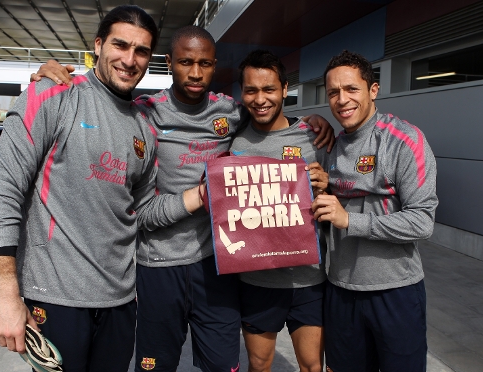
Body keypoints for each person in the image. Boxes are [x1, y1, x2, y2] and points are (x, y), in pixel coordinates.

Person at [32, 26, 335, 372]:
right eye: (186, 62)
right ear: (168, 63)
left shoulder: (231, 112)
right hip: (158, 267)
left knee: (224, 365)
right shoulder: (145, 111)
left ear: (214, 66)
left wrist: (309, 121)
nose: (195, 72)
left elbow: (268, 115)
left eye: (204, 63)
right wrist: (52, 77)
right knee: (155, 365)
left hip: (216, 263)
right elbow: (101, 101)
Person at [0, 6, 160, 372]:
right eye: (120, 45)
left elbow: (141, 212)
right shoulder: (52, 95)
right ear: (98, 44)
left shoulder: (146, 126)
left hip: (121, 301)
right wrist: (5, 295)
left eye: (141, 51)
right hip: (55, 298)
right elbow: (2, 191)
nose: (130, 59)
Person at [311, 50, 438, 372]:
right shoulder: (330, 146)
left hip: (395, 292)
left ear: (373, 90)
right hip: (339, 290)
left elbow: (422, 222)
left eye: (351, 89)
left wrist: (349, 220)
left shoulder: (405, 140)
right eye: (333, 92)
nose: (342, 100)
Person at [230, 49, 328, 372]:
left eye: (269, 89)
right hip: (257, 281)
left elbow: (340, 195)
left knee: (312, 365)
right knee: (259, 365)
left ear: (285, 89)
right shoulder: (232, 139)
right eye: (251, 90)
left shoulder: (315, 137)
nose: (260, 99)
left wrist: (326, 185)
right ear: (241, 92)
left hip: (309, 279)